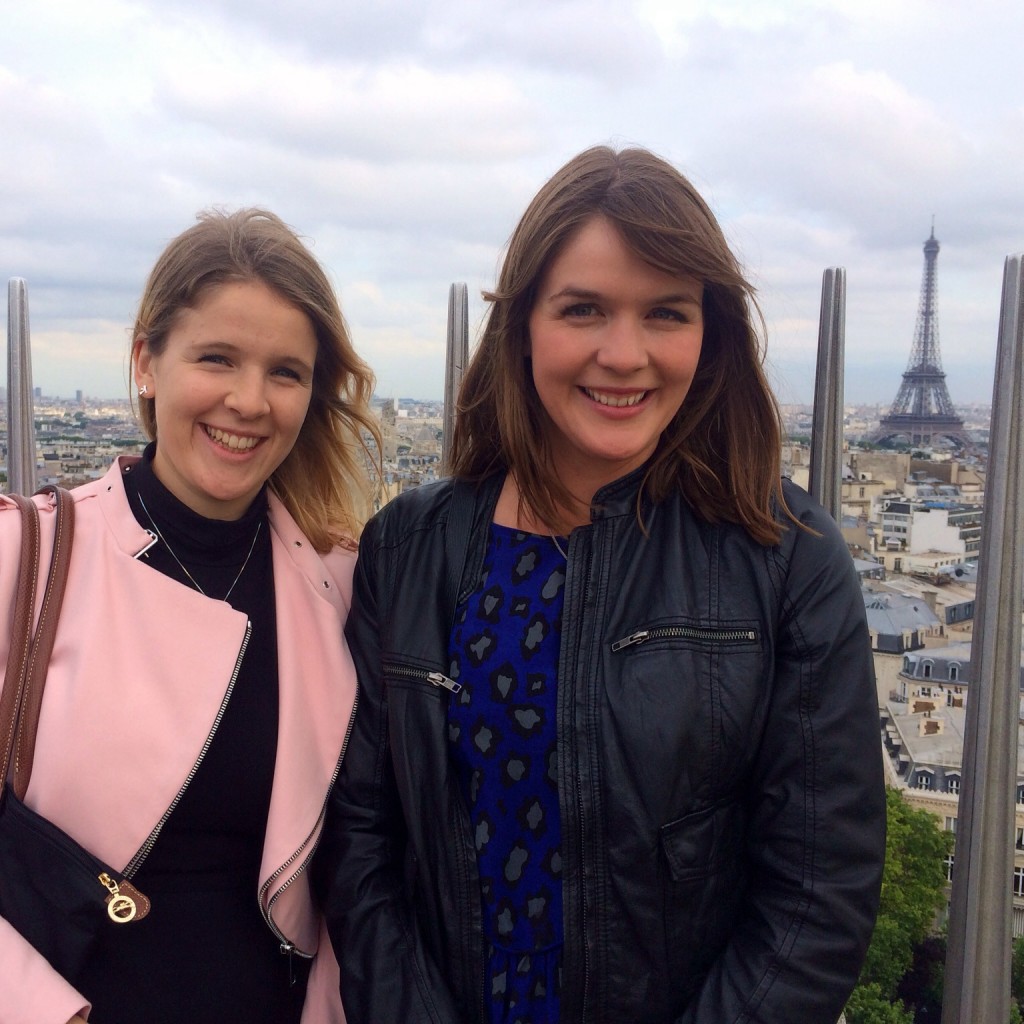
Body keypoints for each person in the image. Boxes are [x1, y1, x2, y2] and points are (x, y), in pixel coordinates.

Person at [317, 145, 886, 1023]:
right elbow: (362, 844)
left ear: (712, 332)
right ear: (522, 326)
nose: (624, 354)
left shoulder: (787, 556)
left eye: (666, 313)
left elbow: (818, 893)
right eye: (583, 309)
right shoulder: (410, 545)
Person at [0, 208, 379, 1023]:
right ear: (147, 361)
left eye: (285, 371)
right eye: (217, 358)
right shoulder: (21, 559)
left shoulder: (339, 583)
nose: (249, 400)